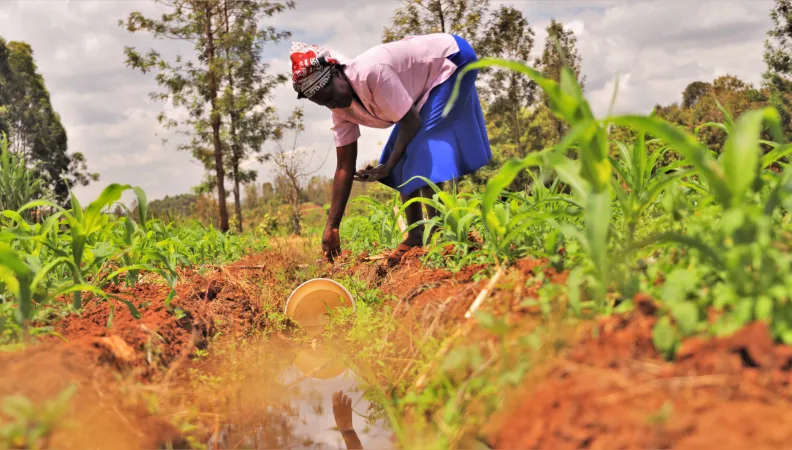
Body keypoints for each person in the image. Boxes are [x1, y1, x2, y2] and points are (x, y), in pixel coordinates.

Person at [289, 33, 491, 270]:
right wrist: (332, 227)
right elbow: (344, 167)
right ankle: (416, 236)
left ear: (336, 73)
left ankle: (441, 233)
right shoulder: (340, 111)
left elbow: (411, 122)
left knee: (418, 150)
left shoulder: (371, 73)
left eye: (331, 95)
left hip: (452, 58)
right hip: (427, 80)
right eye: (324, 103)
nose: (332, 104)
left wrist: (389, 166)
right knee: (400, 154)